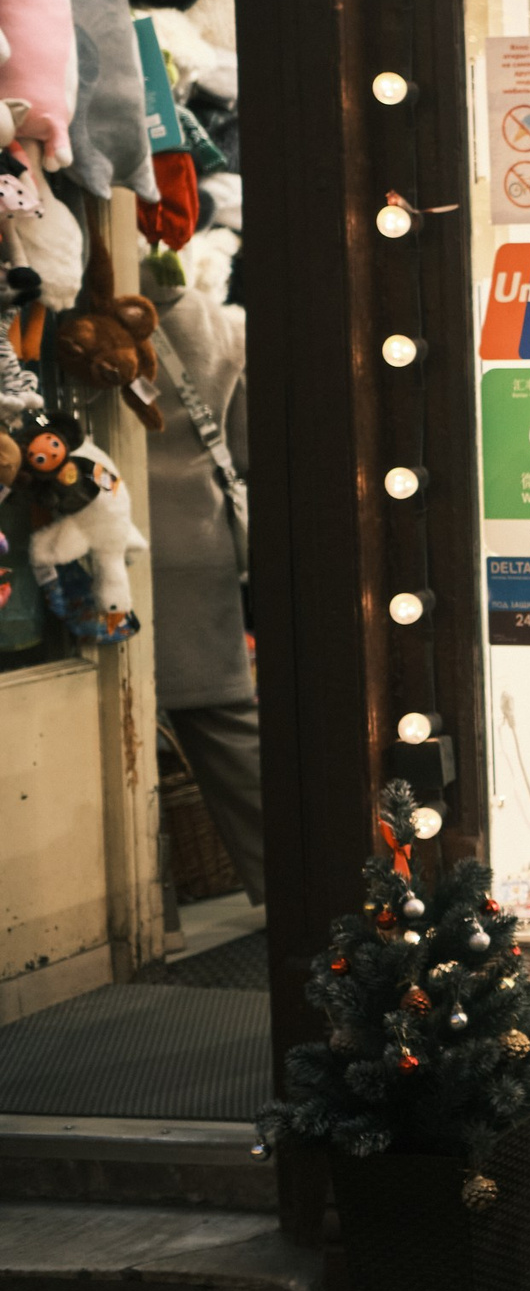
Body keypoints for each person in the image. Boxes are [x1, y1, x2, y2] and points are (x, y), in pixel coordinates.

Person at [146, 259, 261, 901]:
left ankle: (152, 904)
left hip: (118, 535)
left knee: (117, 729)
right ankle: (289, 884)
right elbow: (244, 449)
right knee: (226, 725)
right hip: (201, 538)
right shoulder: (221, 325)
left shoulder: (92, 321)